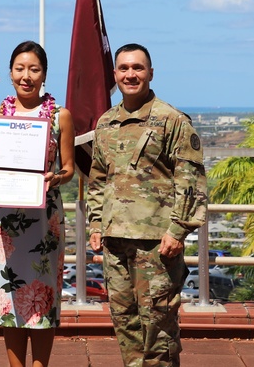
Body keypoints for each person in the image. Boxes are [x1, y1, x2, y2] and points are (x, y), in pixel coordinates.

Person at [86, 43, 208, 367]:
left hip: (157, 243)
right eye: (124, 68)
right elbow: (98, 179)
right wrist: (96, 224)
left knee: (158, 329)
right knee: (126, 325)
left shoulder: (171, 120)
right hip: (115, 241)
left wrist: (177, 231)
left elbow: (191, 181)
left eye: (138, 68)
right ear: (115, 75)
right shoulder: (106, 123)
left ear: (151, 73)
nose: (131, 74)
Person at [0, 41, 75, 367]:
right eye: (20, 68)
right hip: (6, 224)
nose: (26, 76)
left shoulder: (60, 116)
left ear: (44, 74)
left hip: (43, 223)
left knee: (41, 299)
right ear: (10, 72)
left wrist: (57, 178)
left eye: (34, 69)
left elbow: (69, 168)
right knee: (10, 301)